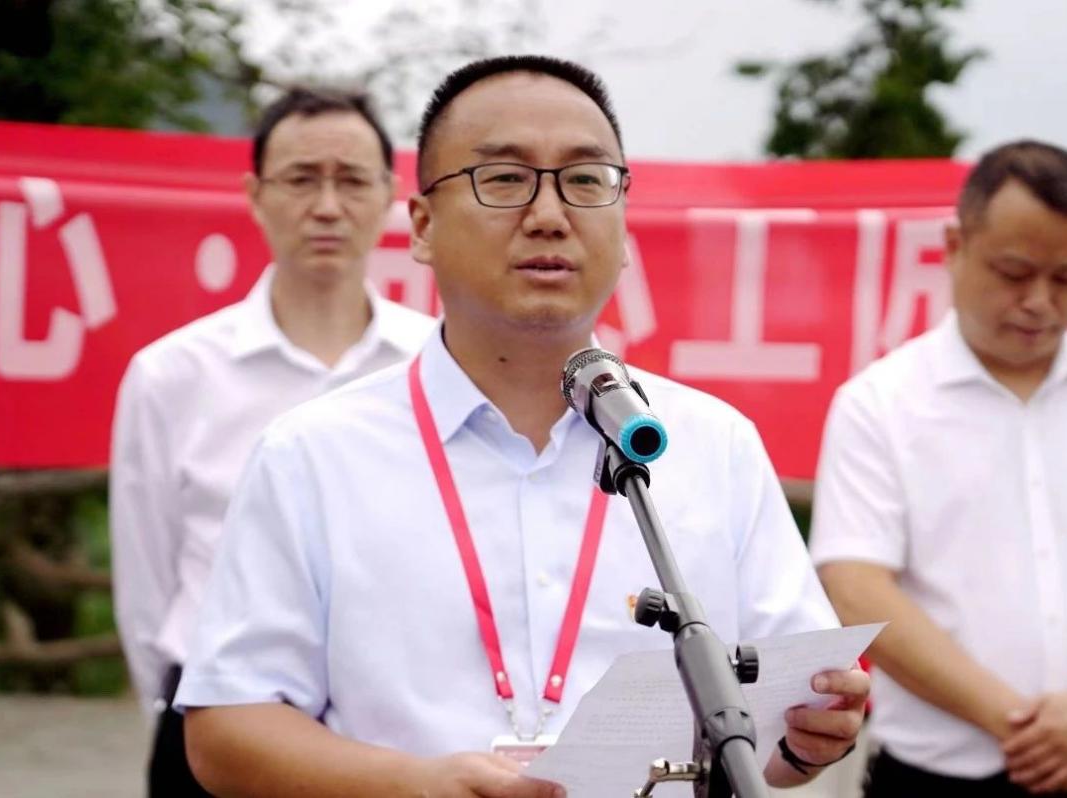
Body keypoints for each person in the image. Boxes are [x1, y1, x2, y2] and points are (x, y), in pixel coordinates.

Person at [174, 55, 870, 797]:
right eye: (504, 179)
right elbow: (226, 730)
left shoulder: (713, 444)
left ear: (623, 225)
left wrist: (806, 744)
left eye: (585, 180)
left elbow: (782, 723)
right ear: (421, 226)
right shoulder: (311, 454)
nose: (548, 215)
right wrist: (411, 785)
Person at [809, 139, 1067, 797]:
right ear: (955, 245)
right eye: (1014, 272)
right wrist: (1020, 725)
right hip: (933, 779)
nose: (1039, 302)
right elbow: (855, 586)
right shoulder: (879, 403)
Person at [109, 87, 436, 796]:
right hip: (215, 725)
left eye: (352, 181)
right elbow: (146, 581)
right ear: (255, 196)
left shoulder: (438, 365)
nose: (327, 206)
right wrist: (173, 713)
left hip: (393, 729)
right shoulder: (172, 374)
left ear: (391, 196)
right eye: (300, 179)